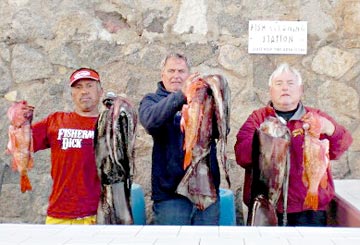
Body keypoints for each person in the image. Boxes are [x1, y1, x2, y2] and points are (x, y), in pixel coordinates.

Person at [234, 63, 353, 226]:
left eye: (290, 84)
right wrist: (266, 137)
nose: (285, 88)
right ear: (270, 90)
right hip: (266, 208)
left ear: (300, 89)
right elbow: (242, 156)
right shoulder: (258, 118)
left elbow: (341, 147)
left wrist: (330, 128)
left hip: (309, 209)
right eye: (279, 84)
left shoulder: (315, 117)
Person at [139, 53, 221, 225]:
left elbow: (221, 131)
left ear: (188, 74)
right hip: (171, 197)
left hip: (206, 194)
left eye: (181, 71)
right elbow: (150, 122)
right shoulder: (151, 100)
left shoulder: (204, 99)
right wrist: (181, 95)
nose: (176, 75)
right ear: (163, 75)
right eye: (171, 71)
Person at [31, 68, 103, 224]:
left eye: (89, 86)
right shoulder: (56, 120)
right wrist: (19, 121)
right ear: (72, 94)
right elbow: (22, 143)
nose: (84, 91)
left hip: (96, 215)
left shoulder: (109, 126)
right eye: (78, 87)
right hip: (58, 214)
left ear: (100, 92)